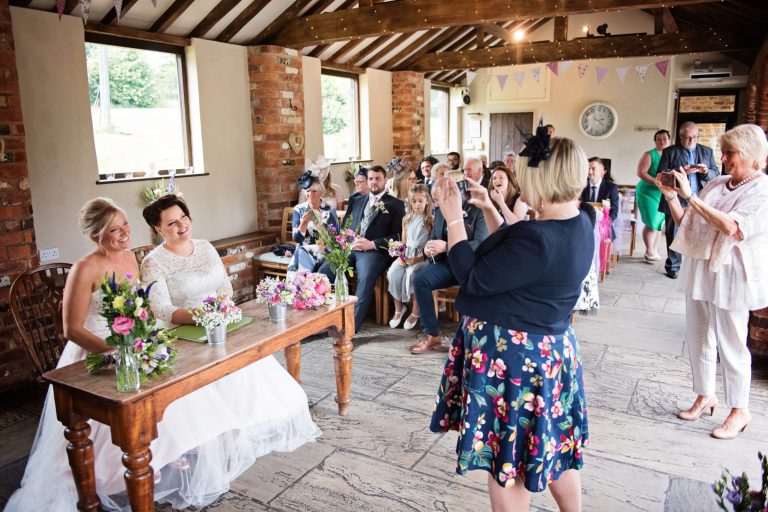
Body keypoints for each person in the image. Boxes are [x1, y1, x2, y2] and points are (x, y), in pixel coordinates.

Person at [6, 198, 320, 511]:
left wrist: (141, 340)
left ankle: (167, 457)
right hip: (96, 350)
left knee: (177, 392)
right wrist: (117, 352)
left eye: (125, 224)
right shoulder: (84, 268)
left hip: (132, 341)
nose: (124, 232)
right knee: (131, 406)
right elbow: (72, 330)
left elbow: (141, 308)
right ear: (94, 236)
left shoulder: (130, 257)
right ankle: (120, 468)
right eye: (114, 229)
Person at [429, 127, 592, 510]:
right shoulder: (580, 221)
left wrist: (453, 217)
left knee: (506, 458)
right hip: (552, 352)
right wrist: (489, 206)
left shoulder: (538, 239)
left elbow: (471, 276)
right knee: (554, 443)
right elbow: (523, 251)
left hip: (512, 361)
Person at [656, 124, 768, 440]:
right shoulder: (718, 183)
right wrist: (673, 199)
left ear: (753, 158)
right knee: (698, 334)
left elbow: (733, 227)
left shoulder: (762, 190)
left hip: (733, 274)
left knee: (731, 343)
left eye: (730, 153)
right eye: (724, 151)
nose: (724, 158)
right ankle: (705, 395)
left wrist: (691, 196)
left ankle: (739, 409)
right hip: (702, 267)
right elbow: (688, 222)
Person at [409, 172, 489, 354]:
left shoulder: (477, 210)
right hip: (447, 265)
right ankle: (432, 335)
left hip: (471, 266)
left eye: (438, 200)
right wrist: (428, 249)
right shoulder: (439, 212)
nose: (436, 205)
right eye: (434, 200)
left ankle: (472, 341)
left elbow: (481, 245)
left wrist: (446, 246)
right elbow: (434, 237)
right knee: (420, 278)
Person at [319, 165, 405, 332]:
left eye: (378, 178)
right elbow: (345, 226)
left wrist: (371, 244)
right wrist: (348, 240)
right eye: (371, 178)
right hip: (351, 248)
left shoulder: (396, 205)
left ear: (385, 180)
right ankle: (320, 320)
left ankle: (350, 328)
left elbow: (398, 236)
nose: (374, 182)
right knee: (325, 271)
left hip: (374, 252)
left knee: (364, 279)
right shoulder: (357, 200)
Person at [657, 121, 719, 279]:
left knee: (700, 231)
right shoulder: (670, 152)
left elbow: (716, 174)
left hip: (699, 199)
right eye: (686, 138)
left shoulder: (707, 151)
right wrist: (679, 171)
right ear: (680, 137)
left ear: (698, 136)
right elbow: (661, 174)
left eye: (694, 137)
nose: (690, 140)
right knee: (673, 233)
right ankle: (673, 266)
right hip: (675, 198)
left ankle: (695, 266)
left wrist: (705, 172)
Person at [386, 184, 434, 329]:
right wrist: (401, 255)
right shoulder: (407, 219)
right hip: (407, 255)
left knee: (413, 274)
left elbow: (430, 249)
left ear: (427, 201)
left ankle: (415, 311)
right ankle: (399, 308)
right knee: (393, 272)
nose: (417, 205)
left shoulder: (431, 220)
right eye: (414, 201)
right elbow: (404, 242)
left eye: (420, 201)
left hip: (422, 257)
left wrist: (415, 260)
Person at [635, 129, 671, 262]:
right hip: (647, 192)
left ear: (669, 140)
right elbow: (641, 172)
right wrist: (655, 182)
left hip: (661, 193)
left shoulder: (670, 154)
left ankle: (654, 249)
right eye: (659, 139)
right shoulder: (649, 154)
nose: (662, 141)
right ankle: (649, 250)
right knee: (651, 222)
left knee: (658, 222)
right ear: (655, 141)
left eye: (664, 139)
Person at [290, 178, 339, 272]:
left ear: (321, 193)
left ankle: (308, 283)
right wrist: (303, 223)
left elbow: (335, 237)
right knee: (300, 253)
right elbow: (297, 239)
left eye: (314, 191)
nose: (310, 194)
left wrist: (320, 227)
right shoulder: (299, 209)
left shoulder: (329, 209)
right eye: (308, 191)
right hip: (303, 250)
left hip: (324, 250)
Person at [580, 157, 619, 238]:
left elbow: (614, 211)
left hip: (604, 230)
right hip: (584, 229)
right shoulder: (581, 186)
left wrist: (605, 224)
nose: (590, 172)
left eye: (593, 169)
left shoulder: (611, 187)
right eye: (588, 168)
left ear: (602, 170)